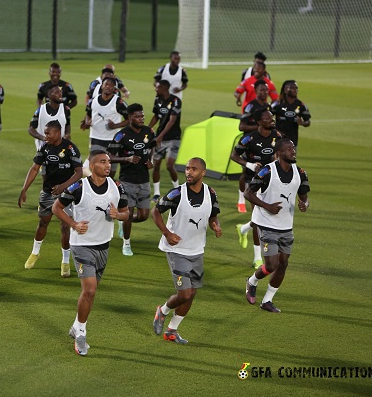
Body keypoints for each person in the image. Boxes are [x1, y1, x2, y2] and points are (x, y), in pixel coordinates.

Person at [52, 151, 129, 356]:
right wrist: (74, 224)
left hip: (103, 246)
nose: (108, 165)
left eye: (109, 162)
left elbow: (127, 212)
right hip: (81, 246)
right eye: (103, 162)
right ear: (92, 165)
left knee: (90, 293)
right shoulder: (79, 187)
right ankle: (81, 335)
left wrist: (118, 215)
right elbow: (56, 208)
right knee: (90, 290)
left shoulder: (117, 186)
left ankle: (77, 324)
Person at [151, 157, 222, 344]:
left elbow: (213, 216)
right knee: (184, 294)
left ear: (203, 172)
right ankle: (163, 311)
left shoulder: (210, 193)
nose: (189, 172)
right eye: (188, 168)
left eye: (194, 169)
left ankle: (172, 331)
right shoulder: (176, 194)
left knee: (192, 294)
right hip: (177, 250)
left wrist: (215, 226)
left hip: (197, 251)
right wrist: (167, 233)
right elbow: (155, 211)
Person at [244, 139, 310, 313]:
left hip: (286, 226)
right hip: (266, 223)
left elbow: (304, 197)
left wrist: (305, 204)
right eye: (289, 149)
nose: (293, 151)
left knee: (283, 263)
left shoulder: (300, 173)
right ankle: (252, 281)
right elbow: (248, 193)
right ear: (279, 153)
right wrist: (267, 206)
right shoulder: (267, 171)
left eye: (294, 148)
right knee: (272, 264)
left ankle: (267, 300)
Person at [19, 120, 83, 277]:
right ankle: (35, 253)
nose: (45, 136)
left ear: (57, 133)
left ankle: (65, 261)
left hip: (67, 194)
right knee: (43, 222)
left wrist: (63, 186)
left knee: (64, 226)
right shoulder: (45, 147)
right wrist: (24, 189)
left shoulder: (70, 148)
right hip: (47, 193)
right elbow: (35, 168)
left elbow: (79, 172)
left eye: (48, 133)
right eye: (45, 132)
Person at [230, 109, 283, 269]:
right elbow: (234, 155)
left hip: (270, 180)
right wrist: (250, 165)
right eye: (267, 118)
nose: (271, 119)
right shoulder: (249, 139)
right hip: (252, 182)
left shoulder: (277, 136)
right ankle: (257, 257)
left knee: (263, 216)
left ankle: (244, 228)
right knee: (259, 218)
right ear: (259, 122)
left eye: (271, 117)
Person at [107, 103, 156, 256]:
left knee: (143, 216)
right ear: (129, 118)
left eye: (142, 116)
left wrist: (151, 160)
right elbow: (109, 156)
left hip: (144, 180)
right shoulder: (121, 135)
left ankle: (122, 221)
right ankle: (126, 244)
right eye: (137, 116)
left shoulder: (148, 132)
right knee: (128, 212)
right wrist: (126, 159)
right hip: (127, 180)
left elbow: (152, 147)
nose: (141, 118)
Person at [80, 77, 129, 177]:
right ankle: (96, 190)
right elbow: (88, 114)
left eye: (111, 85)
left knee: (111, 171)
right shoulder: (92, 101)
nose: (108, 87)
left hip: (113, 140)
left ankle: (107, 190)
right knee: (97, 168)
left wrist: (116, 125)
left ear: (114, 89)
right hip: (96, 138)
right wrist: (87, 122)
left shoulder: (118, 102)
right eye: (106, 84)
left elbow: (129, 119)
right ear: (101, 86)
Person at [236, 80, 272, 213]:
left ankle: (258, 198)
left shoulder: (269, 107)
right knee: (245, 172)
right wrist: (259, 127)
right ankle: (241, 200)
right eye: (262, 90)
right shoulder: (250, 106)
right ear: (256, 91)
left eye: (266, 90)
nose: (265, 92)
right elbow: (241, 126)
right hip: (249, 144)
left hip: (264, 143)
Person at [148, 80, 182, 202]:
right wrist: (147, 129)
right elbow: (156, 116)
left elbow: (172, 120)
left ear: (163, 88)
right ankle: (157, 193)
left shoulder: (176, 101)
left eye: (157, 88)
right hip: (160, 138)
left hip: (173, 138)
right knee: (156, 165)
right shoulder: (157, 100)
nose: (155, 90)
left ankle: (178, 190)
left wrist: (160, 136)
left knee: (169, 165)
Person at [29, 85, 71, 151]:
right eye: (57, 92)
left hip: (60, 148)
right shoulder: (41, 110)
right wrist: (43, 138)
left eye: (60, 92)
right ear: (49, 95)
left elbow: (67, 124)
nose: (60, 94)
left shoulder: (66, 110)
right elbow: (31, 129)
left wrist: (67, 134)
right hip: (43, 150)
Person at [271, 80, 311, 147]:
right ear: (285, 90)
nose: (295, 90)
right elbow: (266, 117)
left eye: (296, 88)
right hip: (278, 140)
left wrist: (303, 123)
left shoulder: (301, 105)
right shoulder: (278, 104)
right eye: (292, 88)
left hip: (293, 141)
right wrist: (275, 130)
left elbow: (308, 121)